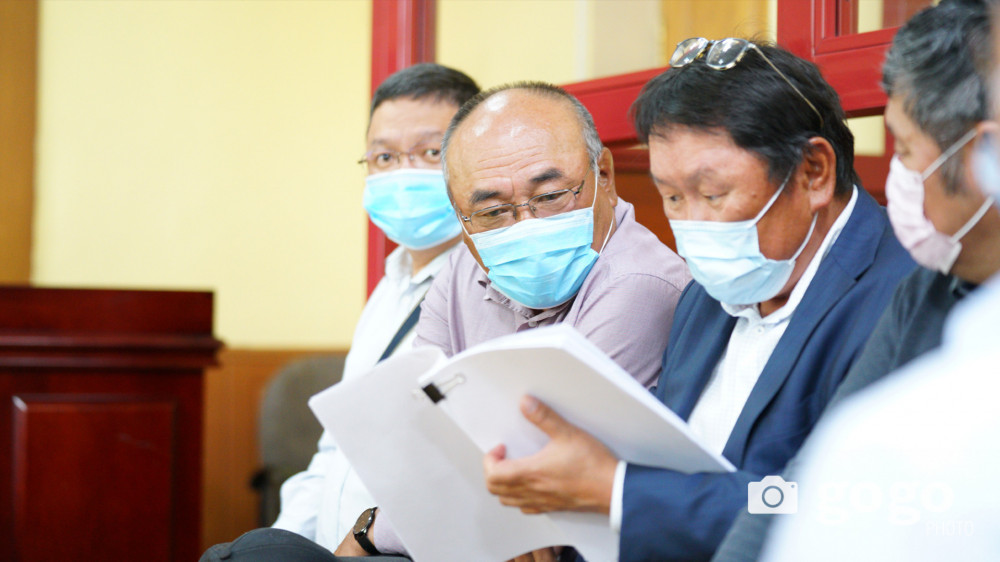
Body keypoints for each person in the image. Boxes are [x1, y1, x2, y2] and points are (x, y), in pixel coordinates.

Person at [478, 40, 917, 561]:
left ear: (813, 171)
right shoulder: (707, 295)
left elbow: (844, 506)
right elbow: (669, 468)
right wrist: (567, 508)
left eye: (712, 194)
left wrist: (618, 493)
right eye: (671, 196)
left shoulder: (911, 300)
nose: (691, 224)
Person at [334, 83, 692, 559]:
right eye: (492, 210)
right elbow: (420, 445)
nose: (525, 224)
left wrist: (371, 532)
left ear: (603, 174)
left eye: (550, 195)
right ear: (460, 213)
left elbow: (543, 486)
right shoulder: (463, 265)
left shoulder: (640, 284)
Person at [714, 2, 1000, 559]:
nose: (899, 179)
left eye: (907, 151)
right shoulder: (928, 288)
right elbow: (806, 481)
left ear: (983, 157)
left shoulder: (875, 280)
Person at [200, 62, 479, 561]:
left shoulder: (489, 293)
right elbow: (336, 450)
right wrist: (282, 545)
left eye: (431, 152)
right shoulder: (390, 288)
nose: (402, 173)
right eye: (384, 156)